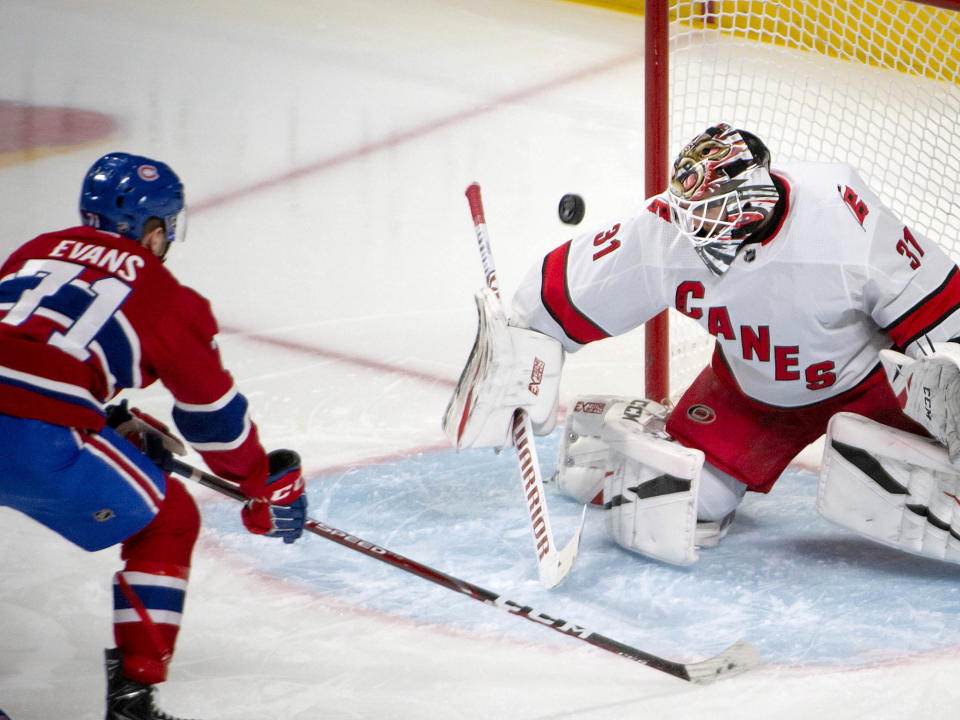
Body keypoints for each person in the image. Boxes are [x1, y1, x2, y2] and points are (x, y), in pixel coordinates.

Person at [445, 122, 960, 567]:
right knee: (670, 508)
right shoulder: (666, 231)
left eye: (708, 215)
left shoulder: (841, 215)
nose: (692, 232)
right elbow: (568, 291)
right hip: (751, 398)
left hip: (867, 385)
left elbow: (938, 304)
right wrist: (522, 346)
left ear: (750, 204)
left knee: (940, 503)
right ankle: (628, 432)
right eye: (689, 213)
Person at [0, 153, 308, 719]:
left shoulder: (34, 249)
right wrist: (261, 481)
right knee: (170, 519)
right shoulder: (167, 296)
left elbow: (27, 344)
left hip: (33, 409)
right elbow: (212, 419)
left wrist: (112, 418)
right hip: (38, 434)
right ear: (155, 228)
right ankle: (133, 700)